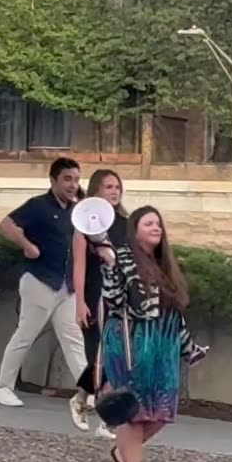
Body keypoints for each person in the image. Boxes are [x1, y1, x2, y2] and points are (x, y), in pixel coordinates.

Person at [94, 205, 204, 462]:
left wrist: (188, 348)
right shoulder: (123, 258)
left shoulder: (165, 263)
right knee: (135, 411)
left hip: (162, 346)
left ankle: (124, 453)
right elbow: (115, 301)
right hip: (132, 342)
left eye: (158, 223)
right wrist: (109, 265)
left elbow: (174, 312)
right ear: (135, 229)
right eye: (148, 223)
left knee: (161, 411)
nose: (156, 228)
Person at [0, 157, 89, 408]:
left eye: (76, 179)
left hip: (66, 287)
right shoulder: (38, 206)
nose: (72, 184)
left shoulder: (76, 211)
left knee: (73, 339)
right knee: (26, 334)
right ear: (53, 180)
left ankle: (89, 392)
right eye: (67, 179)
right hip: (40, 281)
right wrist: (28, 246)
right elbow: (6, 224)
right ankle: (2, 386)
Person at [67, 169, 130, 437]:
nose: (114, 191)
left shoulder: (127, 223)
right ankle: (89, 404)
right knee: (99, 356)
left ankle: (96, 410)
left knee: (116, 358)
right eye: (108, 186)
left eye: (117, 186)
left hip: (119, 299)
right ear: (96, 191)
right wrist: (80, 301)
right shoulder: (85, 225)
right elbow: (79, 267)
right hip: (94, 297)